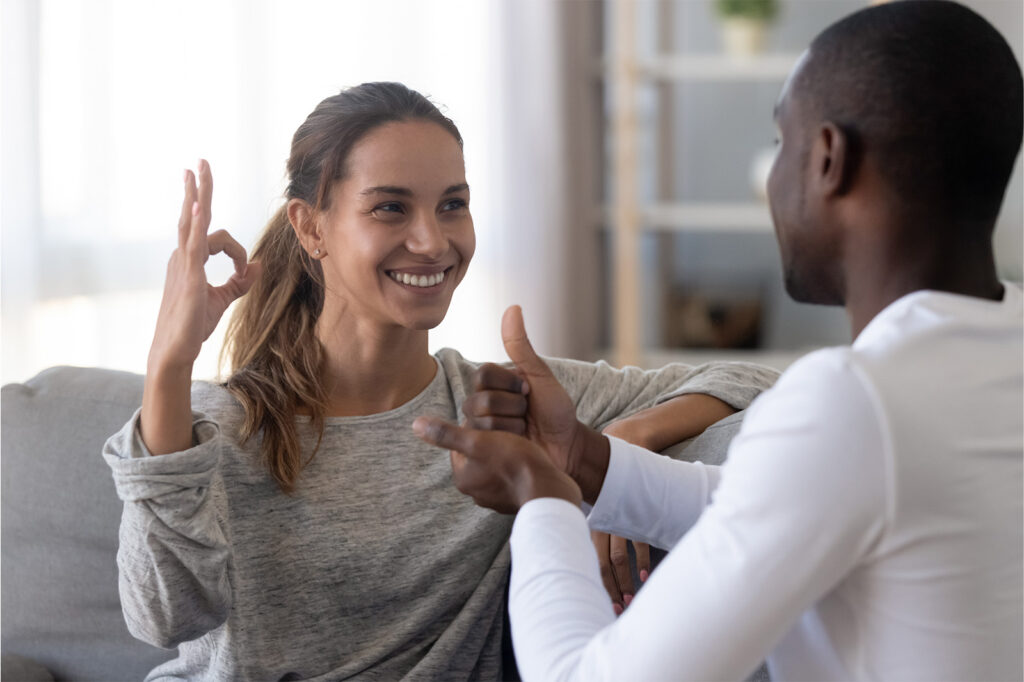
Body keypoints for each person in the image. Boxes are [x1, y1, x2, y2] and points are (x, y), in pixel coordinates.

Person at [413, 2, 1024, 680]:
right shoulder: (996, 349)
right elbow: (764, 502)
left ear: (828, 159)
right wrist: (582, 458)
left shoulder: (855, 401)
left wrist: (541, 496)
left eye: (779, 145)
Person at [102, 82, 778, 680]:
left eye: (452, 205)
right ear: (312, 227)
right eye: (391, 209)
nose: (432, 240)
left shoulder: (498, 407)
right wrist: (169, 367)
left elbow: (753, 380)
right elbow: (165, 618)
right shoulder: (224, 424)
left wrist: (608, 455)